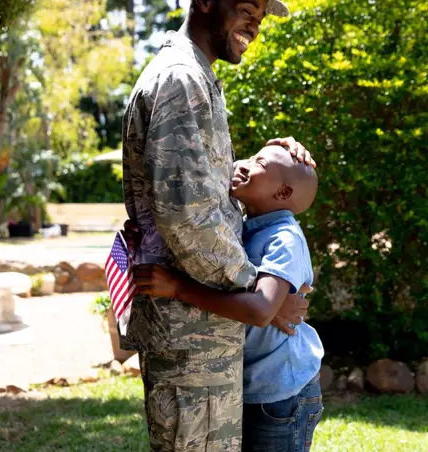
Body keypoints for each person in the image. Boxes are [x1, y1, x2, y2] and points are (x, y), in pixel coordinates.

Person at [119, 0, 315, 450]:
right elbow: (187, 217)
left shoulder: (195, 78)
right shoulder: (181, 80)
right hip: (192, 343)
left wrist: (278, 158)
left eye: (261, 17)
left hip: (203, 335)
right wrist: (263, 293)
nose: (255, 25)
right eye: (248, 8)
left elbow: (202, 187)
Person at [139, 145, 324, 452]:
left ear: (283, 193)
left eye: (258, 162)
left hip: (282, 394)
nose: (243, 164)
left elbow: (262, 310)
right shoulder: (247, 226)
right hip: (256, 386)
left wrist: (178, 288)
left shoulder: (284, 239)